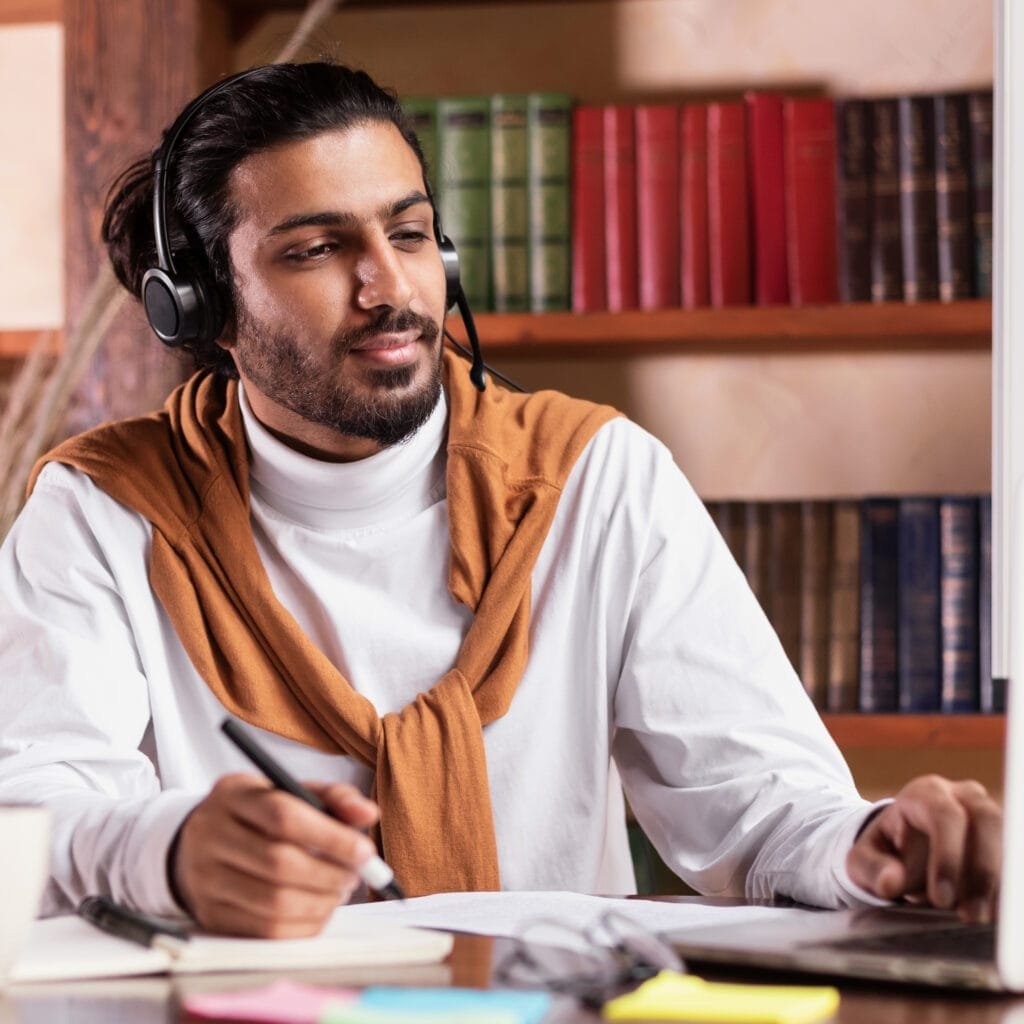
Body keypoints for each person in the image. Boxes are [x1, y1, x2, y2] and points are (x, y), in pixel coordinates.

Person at [0, 62, 1001, 938]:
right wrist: (165, 850)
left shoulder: (598, 475)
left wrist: (871, 845)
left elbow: (765, 811)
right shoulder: (101, 508)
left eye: (410, 231)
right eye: (314, 250)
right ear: (202, 307)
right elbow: (28, 817)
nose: (389, 287)